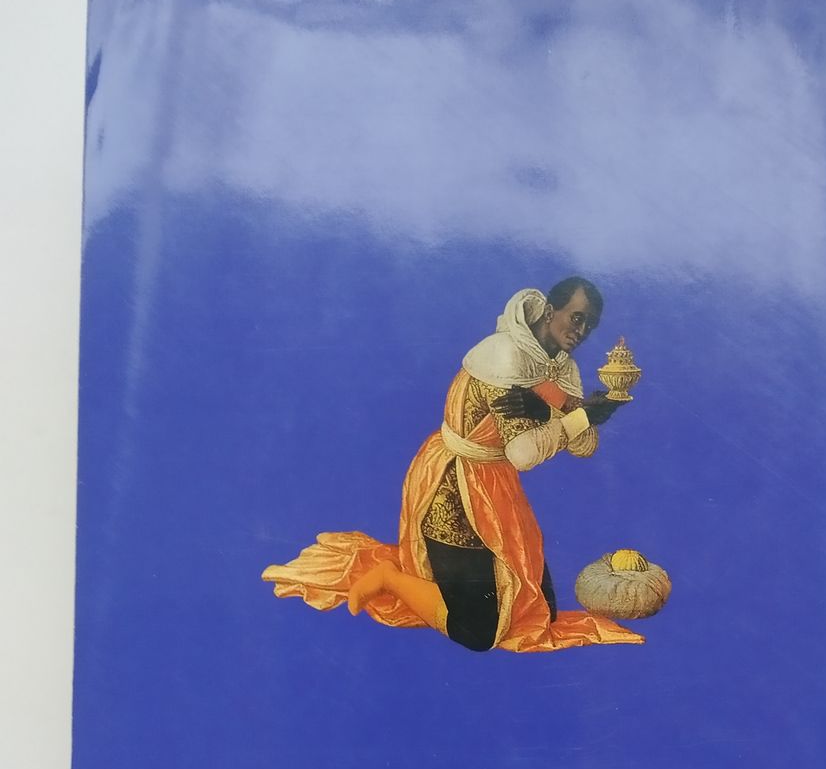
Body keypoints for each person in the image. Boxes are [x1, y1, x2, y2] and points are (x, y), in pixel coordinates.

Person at [262, 279, 644, 652]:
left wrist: (559, 410)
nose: (582, 331)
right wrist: (579, 414)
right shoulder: (505, 356)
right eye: (576, 317)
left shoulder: (558, 365)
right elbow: (523, 454)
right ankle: (388, 578)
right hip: (452, 489)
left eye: (590, 324)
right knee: (478, 632)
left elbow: (585, 445)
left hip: (496, 488)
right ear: (549, 311)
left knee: (539, 612)